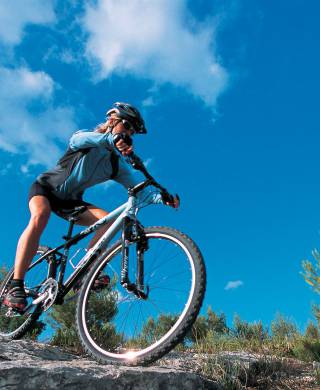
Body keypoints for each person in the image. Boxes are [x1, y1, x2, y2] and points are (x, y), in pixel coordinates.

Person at [3, 102, 179, 311]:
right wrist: (111, 140)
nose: (129, 133)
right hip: (45, 189)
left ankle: (84, 272)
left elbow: (138, 189)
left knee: (109, 221)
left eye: (133, 131)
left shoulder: (116, 164)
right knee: (41, 216)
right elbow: (76, 139)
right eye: (127, 126)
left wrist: (162, 199)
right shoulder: (86, 139)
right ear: (113, 120)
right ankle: (16, 285)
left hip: (71, 202)